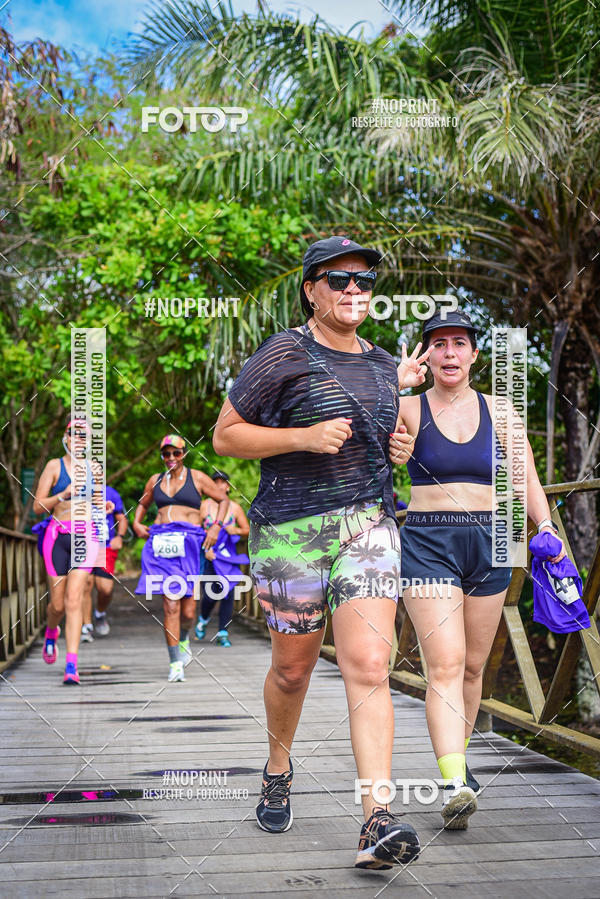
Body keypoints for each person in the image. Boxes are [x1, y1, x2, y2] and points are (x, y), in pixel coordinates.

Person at [213, 235, 431, 870]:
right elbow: (227, 438)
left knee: (368, 665)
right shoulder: (284, 352)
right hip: (290, 530)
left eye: (364, 281)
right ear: (311, 289)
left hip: (369, 525)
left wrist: (399, 446)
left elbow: (391, 438)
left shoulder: (384, 363)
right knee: (293, 670)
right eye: (339, 280)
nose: (353, 291)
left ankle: (376, 820)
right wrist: (304, 436)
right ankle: (278, 765)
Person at [389, 309, 566, 830]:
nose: (448, 352)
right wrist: (394, 405)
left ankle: (458, 769)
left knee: (472, 669)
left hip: (493, 540)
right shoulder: (408, 408)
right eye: (438, 343)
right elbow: (376, 445)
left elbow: (526, 474)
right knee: (444, 664)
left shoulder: (503, 412)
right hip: (429, 541)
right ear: (427, 354)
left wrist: (545, 526)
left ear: (473, 355)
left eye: (458, 343)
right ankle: (453, 781)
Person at [133, 435, 230, 682]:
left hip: (190, 544)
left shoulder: (197, 477)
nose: (171, 458)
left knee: (187, 611)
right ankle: (175, 662)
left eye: (176, 453)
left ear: (184, 454)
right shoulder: (155, 481)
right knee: (170, 604)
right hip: (162, 544)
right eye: (166, 454)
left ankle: (184, 636)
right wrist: (136, 523)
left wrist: (216, 527)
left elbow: (223, 499)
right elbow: (143, 505)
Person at [33, 416, 106, 685]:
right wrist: (62, 495)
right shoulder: (54, 466)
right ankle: (51, 631)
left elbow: (97, 502)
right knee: (58, 604)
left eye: (83, 435)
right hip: (57, 537)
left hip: (86, 537)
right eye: (73, 434)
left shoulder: (94, 468)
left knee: (75, 600)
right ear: (65, 437)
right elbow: (37, 507)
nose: (78, 439)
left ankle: (71, 665)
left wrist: (104, 506)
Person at [195, 471, 250, 647]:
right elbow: (194, 531)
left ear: (228, 486)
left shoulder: (234, 508)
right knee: (210, 594)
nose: (219, 485)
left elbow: (247, 529)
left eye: (223, 482)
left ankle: (222, 633)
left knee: (228, 592)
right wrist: (205, 549)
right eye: (215, 482)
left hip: (227, 558)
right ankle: (203, 618)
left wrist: (238, 531)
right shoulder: (204, 506)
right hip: (208, 555)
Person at [81, 484, 128, 641]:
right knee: (86, 584)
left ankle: (99, 613)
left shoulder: (111, 493)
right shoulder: (76, 490)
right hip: (84, 545)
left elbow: (121, 518)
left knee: (105, 588)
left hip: (105, 546)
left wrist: (119, 537)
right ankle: (86, 627)